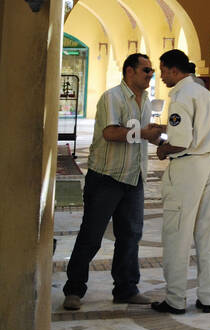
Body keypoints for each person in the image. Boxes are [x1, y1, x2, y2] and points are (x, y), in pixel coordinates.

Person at [62, 52, 164, 310]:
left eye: (151, 70)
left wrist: (159, 139)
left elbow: (141, 136)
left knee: (130, 235)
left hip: (134, 178)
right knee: (92, 235)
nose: (150, 74)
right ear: (129, 71)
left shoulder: (147, 101)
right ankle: (74, 289)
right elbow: (110, 132)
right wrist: (142, 132)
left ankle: (126, 288)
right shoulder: (113, 97)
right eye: (146, 70)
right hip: (107, 177)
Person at [151, 47, 210, 315]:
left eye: (162, 71)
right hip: (209, 164)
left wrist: (162, 147)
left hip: (188, 169)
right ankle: (207, 296)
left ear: (173, 70)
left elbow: (180, 142)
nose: (161, 77)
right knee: (206, 233)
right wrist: (166, 129)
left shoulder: (180, 95)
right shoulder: (205, 93)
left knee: (177, 234)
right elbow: (196, 129)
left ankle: (175, 298)